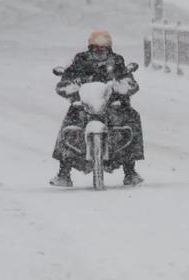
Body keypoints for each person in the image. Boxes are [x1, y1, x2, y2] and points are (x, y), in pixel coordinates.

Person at [50, 30, 144, 187]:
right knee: (70, 122)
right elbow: (67, 77)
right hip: (85, 104)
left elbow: (127, 79)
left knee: (131, 118)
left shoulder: (117, 61)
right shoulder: (80, 60)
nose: (99, 52)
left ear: (109, 48)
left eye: (103, 49)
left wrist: (121, 86)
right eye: (95, 48)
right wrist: (70, 86)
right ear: (89, 48)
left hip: (111, 104)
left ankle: (130, 170)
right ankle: (64, 172)